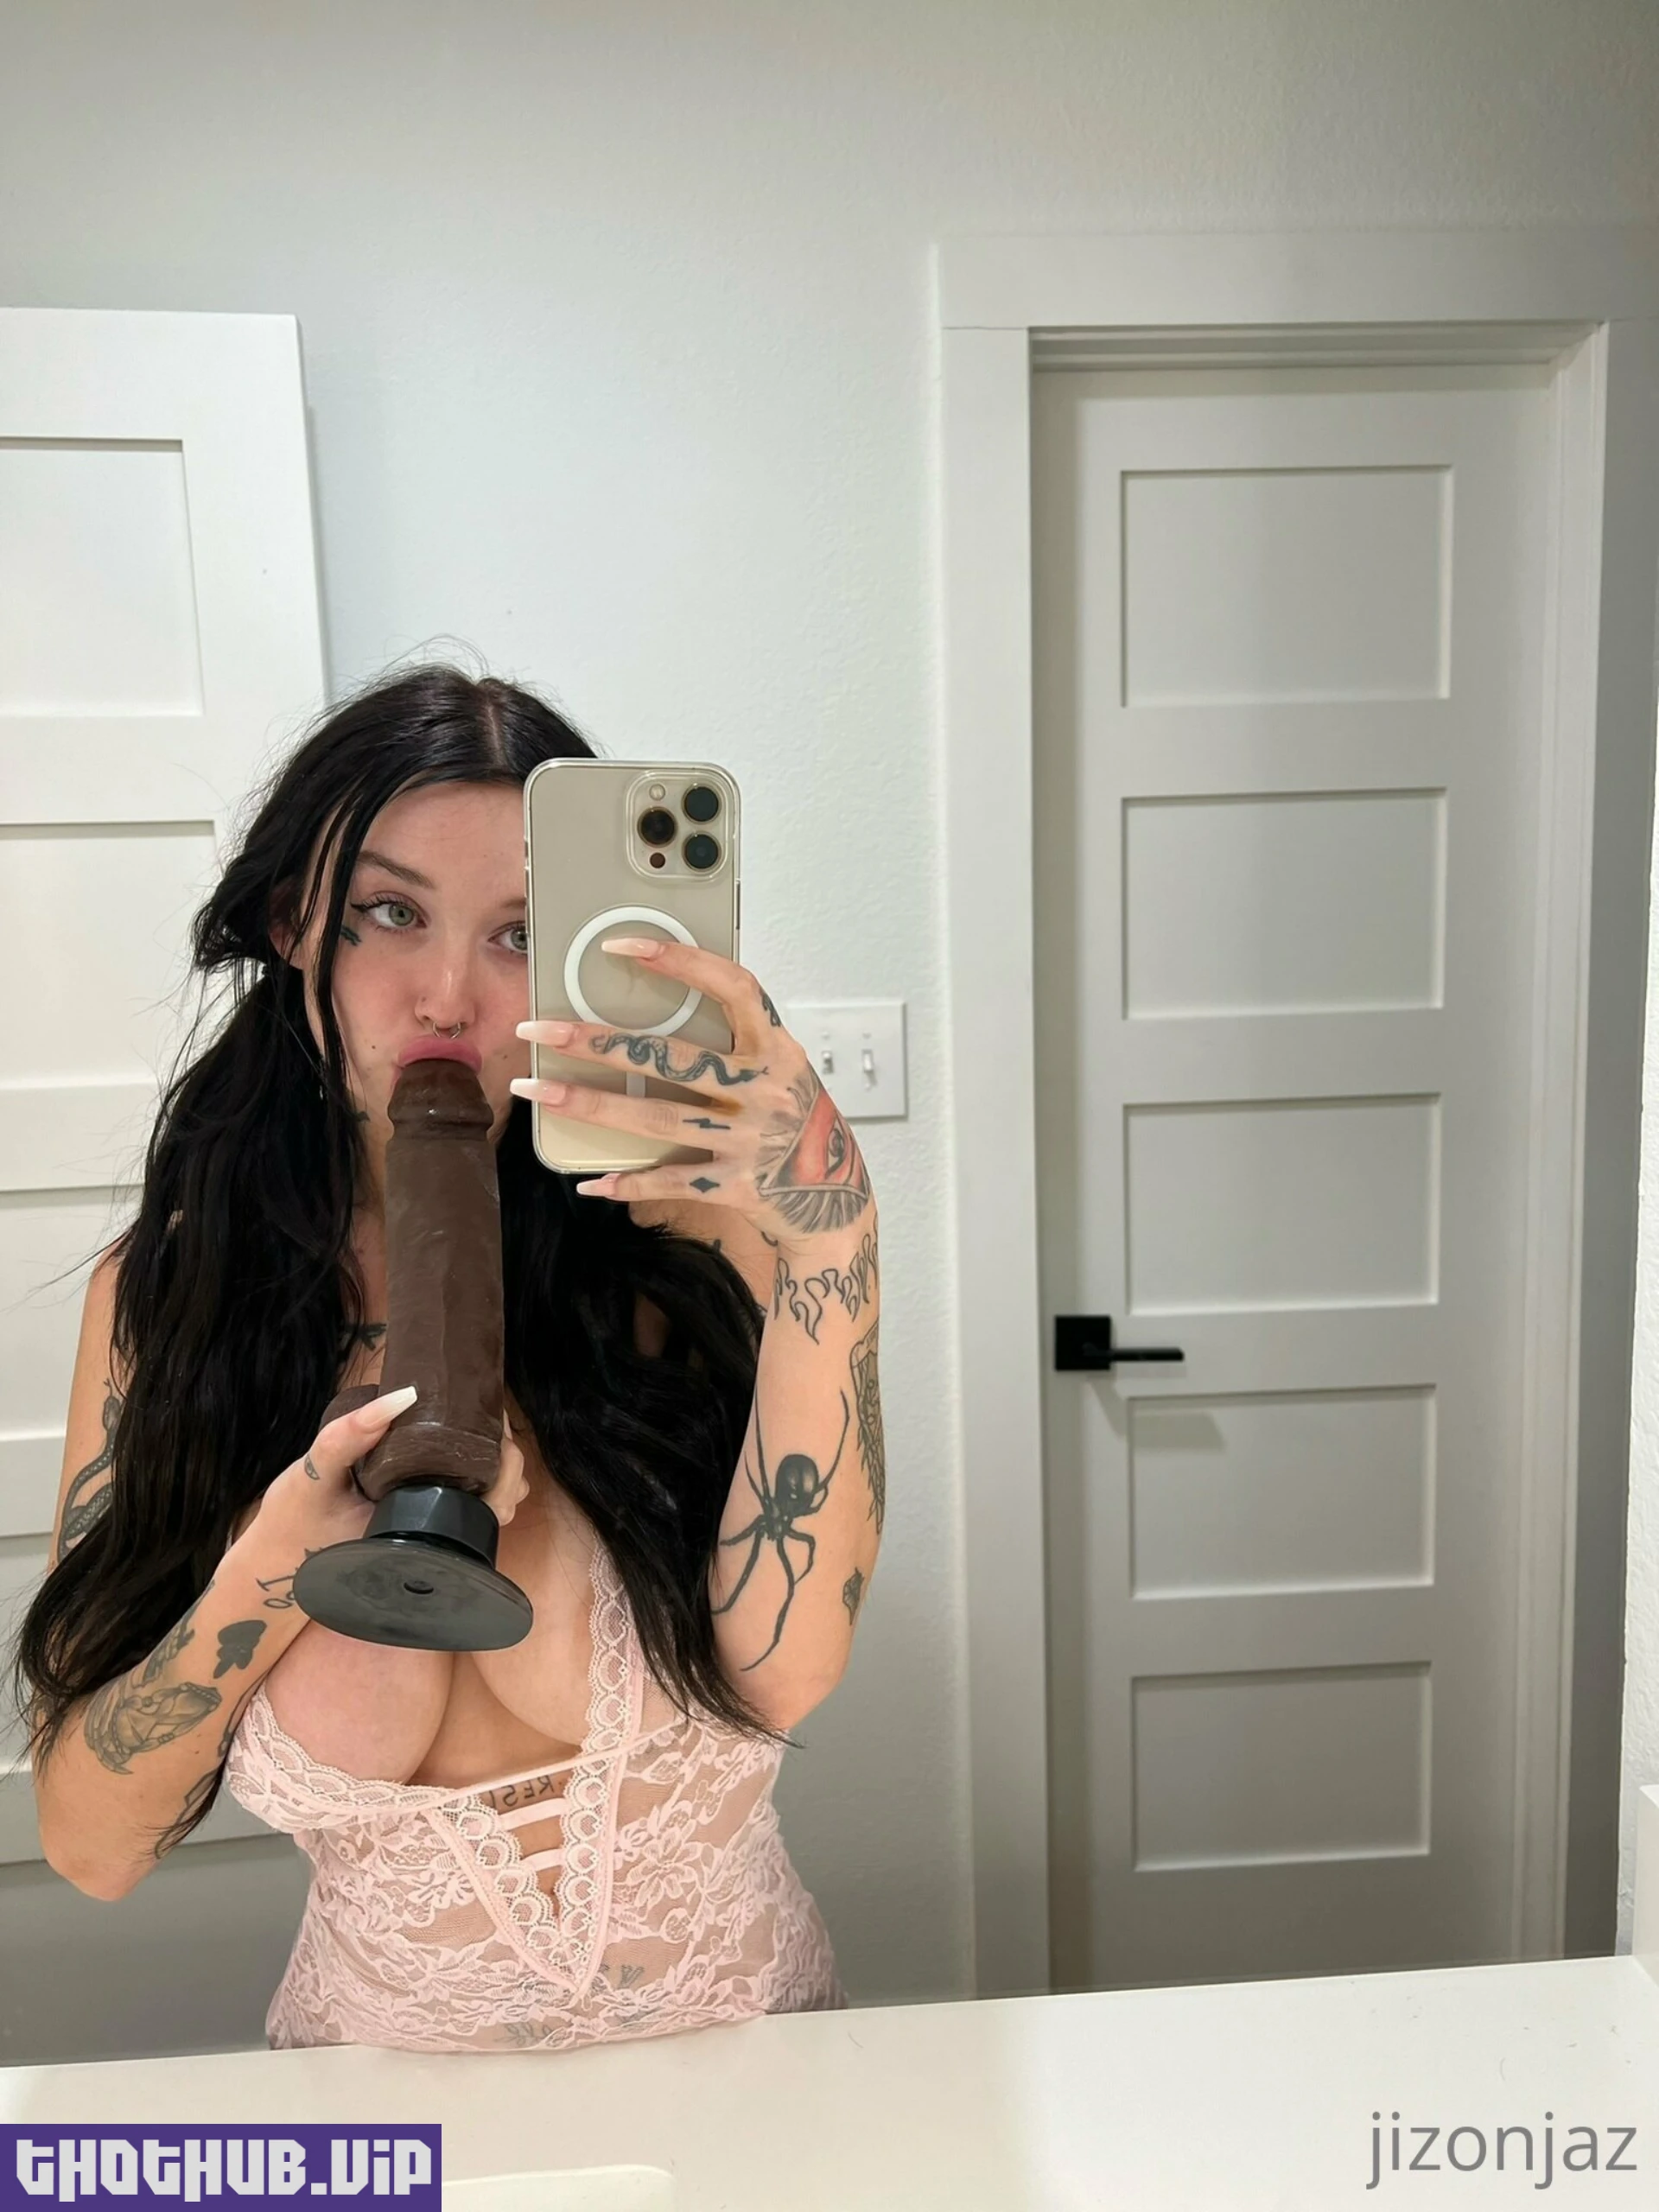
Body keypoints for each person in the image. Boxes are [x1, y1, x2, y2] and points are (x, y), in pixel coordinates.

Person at [10, 665, 884, 2054]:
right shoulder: (176, 1301)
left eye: (520, 934)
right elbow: (91, 1844)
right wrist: (279, 1560)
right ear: (296, 924)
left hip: (752, 2079)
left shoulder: (688, 1235)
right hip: (383, 2113)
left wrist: (836, 1239)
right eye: (392, 913)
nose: (446, 998)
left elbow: (783, 1675)